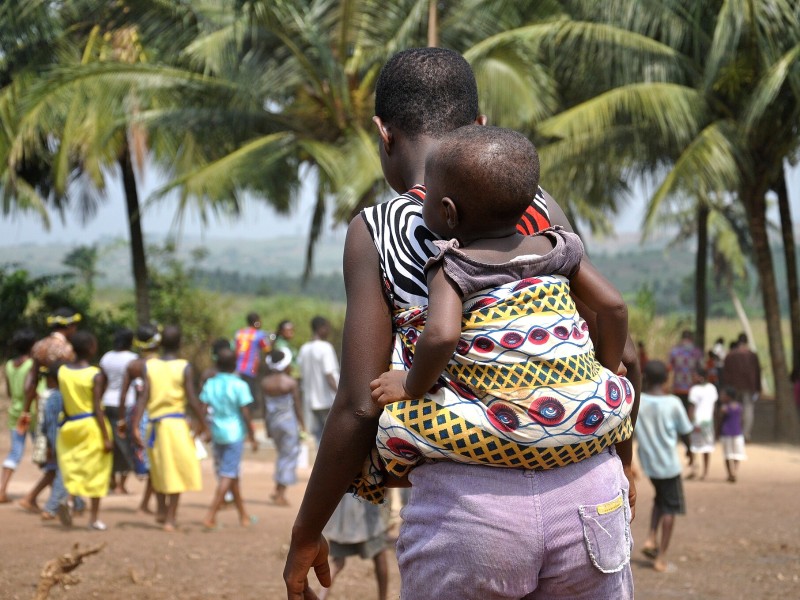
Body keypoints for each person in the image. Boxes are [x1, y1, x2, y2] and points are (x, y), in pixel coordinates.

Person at [284, 47, 640, 600]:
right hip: (589, 487)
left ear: (384, 133)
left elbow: (359, 403)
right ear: (480, 126)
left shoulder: (377, 230)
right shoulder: (538, 209)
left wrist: (307, 531)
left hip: (469, 512)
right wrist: (622, 460)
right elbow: (617, 346)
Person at [370, 126, 633, 483]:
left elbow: (443, 336)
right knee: (621, 385)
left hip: (501, 433)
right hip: (586, 419)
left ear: (448, 211)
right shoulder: (560, 248)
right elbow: (614, 307)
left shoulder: (451, 266)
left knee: (393, 427)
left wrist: (409, 386)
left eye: (427, 194)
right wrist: (602, 368)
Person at [132, 325, 207, 532]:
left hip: (154, 426)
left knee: (158, 470)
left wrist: (135, 425)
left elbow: (143, 397)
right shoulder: (184, 366)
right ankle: (170, 518)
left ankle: (162, 509)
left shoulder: (150, 366)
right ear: (180, 343)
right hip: (175, 426)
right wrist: (204, 423)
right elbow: (192, 399)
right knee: (174, 471)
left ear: (160, 343)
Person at [17, 308, 85, 520]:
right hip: (61, 401)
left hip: (43, 400)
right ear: (68, 326)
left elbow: (32, 382)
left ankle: (77, 502)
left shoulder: (39, 346)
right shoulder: (67, 349)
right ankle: (55, 505)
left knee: (57, 455)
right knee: (64, 455)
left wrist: (26, 410)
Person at [635, 360, 693, 573]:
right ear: (667, 379)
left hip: (649, 464)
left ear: (646, 378)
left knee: (660, 499)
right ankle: (661, 557)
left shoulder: (638, 401)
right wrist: (690, 451)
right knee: (670, 508)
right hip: (668, 465)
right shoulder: (673, 403)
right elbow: (685, 431)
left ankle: (651, 538)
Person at [56, 331, 113, 530]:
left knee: (76, 465)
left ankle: (69, 499)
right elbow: (97, 407)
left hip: (70, 424)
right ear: (91, 348)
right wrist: (106, 437)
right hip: (92, 425)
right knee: (98, 470)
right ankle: (94, 518)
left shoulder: (62, 371)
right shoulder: (94, 374)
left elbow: (63, 400)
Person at [199, 346, 257, 529]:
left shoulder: (210, 383)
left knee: (231, 474)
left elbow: (202, 408)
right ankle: (211, 514)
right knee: (228, 474)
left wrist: (204, 428)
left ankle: (244, 516)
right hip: (234, 434)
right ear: (235, 364)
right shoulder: (240, 385)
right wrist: (252, 435)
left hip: (217, 433)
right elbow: (245, 412)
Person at [119, 324, 162, 514]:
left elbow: (123, 394)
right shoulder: (158, 365)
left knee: (151, 462)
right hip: (153, 416)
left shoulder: (133, 365)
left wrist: (122, 419)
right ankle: (152, 503)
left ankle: (150, 502)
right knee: (156, 462)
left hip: (135, 414)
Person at [318, 495, 390, 600]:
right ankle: (383, 598)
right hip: (365, 508)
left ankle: (321, 597)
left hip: (342, 510)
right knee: (380, 554)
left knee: (337, 562)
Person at [0, 329, 41, 503]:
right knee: (45, 451)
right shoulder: (32, 364)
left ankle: (2, 489)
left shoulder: (9, 365)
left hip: (15, 413)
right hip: (30, 413)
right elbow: (30, 389)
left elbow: (9, 391)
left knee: (15, 452)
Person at [263, 348, 305, 506]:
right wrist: (303, 424)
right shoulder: (290, 383)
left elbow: (264, 408)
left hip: (273, 423)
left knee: (282, 455)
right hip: (288, 423)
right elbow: (297, 406)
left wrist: (267, 427)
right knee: (289, 457)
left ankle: (277, 489)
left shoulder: (265, 383)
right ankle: (280, 494)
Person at [99, 328, 137, 494]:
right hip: (127, 403)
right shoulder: (133, 359)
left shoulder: (106, 357)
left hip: (107, 401)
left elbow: (102, 381)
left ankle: (111, 481)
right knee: (127, 443)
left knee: (111, 441)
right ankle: (122, 484)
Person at [296, 316, 339, 443]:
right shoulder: (325, 347)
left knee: (318, 437)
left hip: (311, 401)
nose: (328, 331)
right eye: (327, 328)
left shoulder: (304, 349)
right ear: (320, 328)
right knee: (331, 438)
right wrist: (340, 395)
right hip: (326, 400)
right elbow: (329, 375)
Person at [721, 333, 761, 441]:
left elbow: (726, 373)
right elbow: (757, 372)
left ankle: (735, 432)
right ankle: (746, 434)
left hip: (733, 387)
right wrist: (758, 387)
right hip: (749, 386)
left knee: (734, 408)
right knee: (748, 409)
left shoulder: (730, 355)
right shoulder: (752, 355)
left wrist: (726, 388)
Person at [234, 312, 271, 418]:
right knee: (249, 396)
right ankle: (248, 419)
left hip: (237, 368)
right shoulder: (259, 334)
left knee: (239, 395)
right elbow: (267, 349)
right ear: (257, 322)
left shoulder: (239, 333)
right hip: (250, 370)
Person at [686, 366, 718, 480]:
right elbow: (713, 407)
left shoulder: (694, 390)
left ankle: (694, 469)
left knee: (694, 446)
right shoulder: (712, 388)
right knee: (707, 448)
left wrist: (688, 422)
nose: (692, 378)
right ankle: (705, 472)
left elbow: (692, 407)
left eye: (694, 375)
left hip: (696, 422)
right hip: (708, 422)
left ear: (700, 377)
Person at [718, 385, 747, 482]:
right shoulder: (739, 407)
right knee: (737, 454)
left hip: (726, 433)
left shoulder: (724, 408)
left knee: (728, 454)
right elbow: (742, 420)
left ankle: (730, 473)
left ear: (728, 397)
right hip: (737, 433)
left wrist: (717, 431)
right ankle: (734, 471)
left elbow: (720, 420)